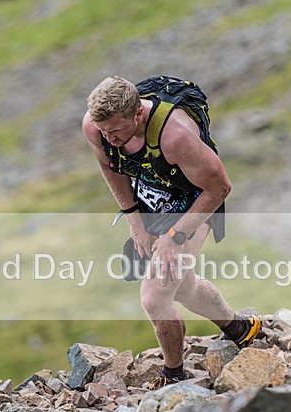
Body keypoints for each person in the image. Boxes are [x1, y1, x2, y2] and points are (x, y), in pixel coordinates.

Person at [83, 76, 261, 389]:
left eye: (115, 130)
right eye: (103, 131)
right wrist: (134, 220)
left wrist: (175, 236)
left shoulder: (176, 136)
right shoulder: (95, 127)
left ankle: (173, 377)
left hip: (195, 204)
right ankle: (240, 329)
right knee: (181, 286)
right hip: (154, 201)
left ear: (137, 114)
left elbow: (220, 187)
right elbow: (110, 168)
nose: (108, 138)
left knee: (155, 296)